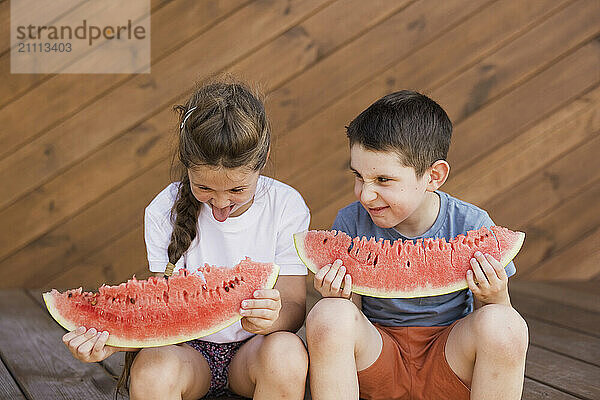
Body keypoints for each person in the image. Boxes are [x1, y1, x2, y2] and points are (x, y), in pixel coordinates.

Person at [62, 79, 310, 400]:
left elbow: (294, 304)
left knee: (287, 354)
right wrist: (114, 339)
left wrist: (271, 317)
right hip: (188, 356)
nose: (220, 204)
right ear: (188, 167)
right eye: (205, 188)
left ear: (260, 165)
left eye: (237, 189)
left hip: (255, 353)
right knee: (152, 370)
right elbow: (162, 311)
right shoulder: (164, 209)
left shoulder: (285, 205)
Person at [306, 90, 529, 400]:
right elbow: (349, 322)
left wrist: (496, 295)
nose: (365, 194)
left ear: (433, 176)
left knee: (506, 324)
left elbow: (488, 324)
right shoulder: (351, 223)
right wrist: (340, 297)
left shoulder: (472, 224)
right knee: (327, 315)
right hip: (377, 359)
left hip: (450, 361)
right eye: (358, 176)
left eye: (383, 180)